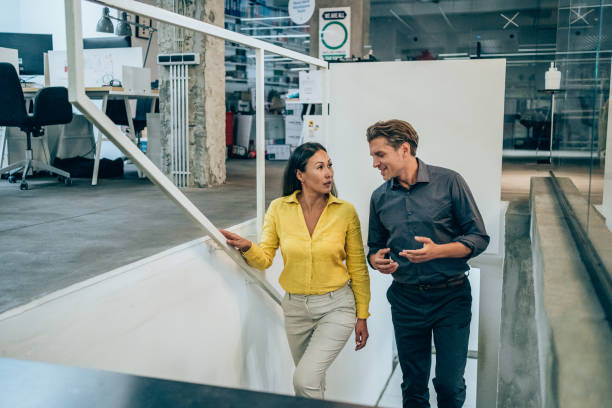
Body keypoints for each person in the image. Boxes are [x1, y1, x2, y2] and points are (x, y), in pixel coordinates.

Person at [219, 142, 371, 399]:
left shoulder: (345, 212)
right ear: (300, 175)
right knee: (312, 384)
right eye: (320, 167)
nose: (328, 173)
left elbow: (358, 267)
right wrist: (247, 247)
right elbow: (265, 258)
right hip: (295, 310)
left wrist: (363, 315)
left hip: (337, 306)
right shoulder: (279, 208)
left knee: (304, 380)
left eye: (330, 166)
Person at [365, 120, 489, 408]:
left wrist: (439, 251)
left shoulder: (449, 182)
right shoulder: (379, 197)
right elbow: (374, 248)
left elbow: (479, 237)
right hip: (405, 299)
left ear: (404, 149)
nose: (374, 163)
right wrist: (376, 260)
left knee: (449, 384)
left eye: (379, 155)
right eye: (372, 156)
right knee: (413, 385)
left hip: (451, 298)